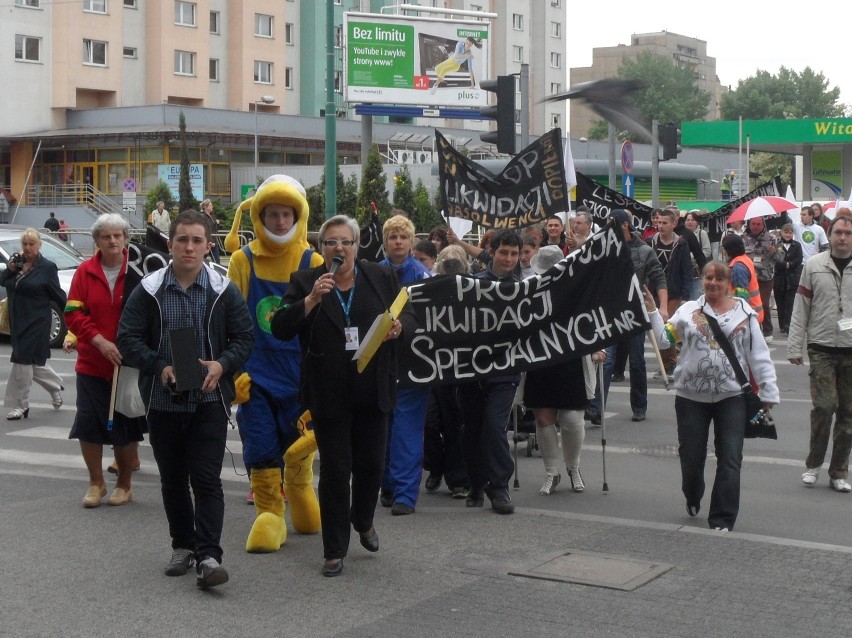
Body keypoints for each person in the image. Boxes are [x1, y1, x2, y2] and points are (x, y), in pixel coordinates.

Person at [117, 210, 254, 589]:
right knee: (174, 479)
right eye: (182, 240)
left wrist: (221, 365)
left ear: (208, 245)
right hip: (163, 400)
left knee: (207, 479)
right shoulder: (148, 289)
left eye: (197, 240)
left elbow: (245, 338)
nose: (189, 247)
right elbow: (127, 338)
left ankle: (209, 556)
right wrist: (159, 366)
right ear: (170, 244)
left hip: (210, 401)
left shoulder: (223, 289)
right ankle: (183, 545)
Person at [271, 215, 414, 577]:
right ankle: (334, 550)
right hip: (329, 393)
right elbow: (280, 327)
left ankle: (363, 520)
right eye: (330, 243)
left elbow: (408, 313)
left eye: (345, 242)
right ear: (322, 250)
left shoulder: (380, 277)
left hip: (373, 389)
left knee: (371, 466)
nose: (338, 249)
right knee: (336, 471)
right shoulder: (306, 281)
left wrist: (400, 327)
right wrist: (309, 301)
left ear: (357, 246)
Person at [224, 175, 325, 553]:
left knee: (300, 445)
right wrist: (233, 371)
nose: (280, 222)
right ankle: (269, 512)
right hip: (258, 376)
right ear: (260, 218)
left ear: (298, 216)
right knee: (262, 444)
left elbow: (322, 326)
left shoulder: (311, 260)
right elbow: (229, 320)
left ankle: (299, 488)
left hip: (299, 375)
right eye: (273, 215)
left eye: (287, 214)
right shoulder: (243, 259)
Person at [647, 261, 779, 531]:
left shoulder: (744, 313)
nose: (713, 283)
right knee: (691, 458)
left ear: (728, 282)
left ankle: (722, 519)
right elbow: (663, 340)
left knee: (730, 458)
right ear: (702, 280)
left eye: (719, 279)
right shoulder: (687, 311)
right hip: (690, 399)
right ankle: (693, 494)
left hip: (732, 397)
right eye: (708, 278)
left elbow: (759, 355)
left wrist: (769, 390)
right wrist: (651, 311)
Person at [64, 214, 145, 508]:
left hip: (127, 364)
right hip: (91, 363)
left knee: (125, 427)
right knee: (88, 424)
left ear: (125, 239)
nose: (113, 241)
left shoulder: (138, 272)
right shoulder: (84, 272)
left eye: (118, 236)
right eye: (106, 236)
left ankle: (124, 484)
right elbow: (73, 313)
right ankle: (95, 482)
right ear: (97, 240)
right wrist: (97, 340)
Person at [525, 245, 605, 494]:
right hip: (540, 359)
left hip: (571, 359)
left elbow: (591, 317)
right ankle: (551, 472)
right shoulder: (530, 290)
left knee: (572, 420)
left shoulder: (577, 289)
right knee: (543, 418)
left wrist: (598, 347)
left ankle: (574, 466)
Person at [456, 230, 522, 515]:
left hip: (505, 373)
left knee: (495, 427)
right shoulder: (471, 285)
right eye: (503, 252)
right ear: (491, 252)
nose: (508, 259)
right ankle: (476, 482)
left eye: (514, 254)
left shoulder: (525, 289)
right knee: (472, 429)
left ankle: (498, 486)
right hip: (471, 372)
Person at [788, 215, 852, 493]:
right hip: (821, 347)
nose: (843, 237)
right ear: (830, 234)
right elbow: (800, 306)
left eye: (848, 233)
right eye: (838, 232)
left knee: (849, 414)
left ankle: (838, 471)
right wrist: (794, 345)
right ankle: (813, 464)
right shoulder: (814, 266)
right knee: (825, 407)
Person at [587, 210, 668, 424]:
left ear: (623, 226)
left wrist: (663, 307)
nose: (606, 229)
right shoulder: (604, 250)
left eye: (610, 224)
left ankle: (639, 406)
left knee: (637, 362)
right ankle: (596, 409)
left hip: (635, 314)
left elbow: (659, 277)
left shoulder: (644, 251)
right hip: (611, 314)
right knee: (606, 360)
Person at [379, 215, 431, 515]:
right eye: (392, 237)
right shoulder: (374, 272)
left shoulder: (423, 276)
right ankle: (387, 484)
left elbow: (427, 319)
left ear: (411, 242)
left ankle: (405, 494)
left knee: (406, 430)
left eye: (403, 237)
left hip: (413, 363)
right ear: (386, 242)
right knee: (382, 428)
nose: (397, 242)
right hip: (381, 362)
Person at [2, 229, 66, 420]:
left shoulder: (47, 267)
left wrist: (73, 319)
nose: (28, 248)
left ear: (39, 246)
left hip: (38, 321)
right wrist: (10, 268)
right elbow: (3, 281)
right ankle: (55, 387)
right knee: (34, 364)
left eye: (31, 244)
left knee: (22, 362)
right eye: (25, 244)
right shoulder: (18, 264)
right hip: (18, 320)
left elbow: (59, 296)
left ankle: (21, 406)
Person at [422, 248, 471, 498]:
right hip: (432, 369)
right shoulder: (427, 289)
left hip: (460, 370)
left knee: (455, 425)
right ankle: (435, 466)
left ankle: (458, 479)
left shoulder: (474, 290)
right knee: (428, 423)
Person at [648, 208, 692, 377]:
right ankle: (665, 363)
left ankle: (671, 362)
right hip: (654, 291)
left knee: (668, 327)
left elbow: (686, 270)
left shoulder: (681, 244)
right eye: (658, 222)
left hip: (673, 291)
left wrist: (685, 295)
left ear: (674, 224)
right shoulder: (650, 242)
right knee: (656, 328)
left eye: (664, 223)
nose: (660, 226)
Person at [742, 216, 776, 341]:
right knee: (747, 303)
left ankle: (767, 331)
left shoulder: (772, 239)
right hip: (748, 277)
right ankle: (751, 329)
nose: (755, 226)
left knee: (763, 303)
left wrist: (774, 252)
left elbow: (782, 258)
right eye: (753, 224)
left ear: (763, 225)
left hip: (765, 276)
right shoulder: (743, 239)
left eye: (758, 224)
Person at [722, 234, 764, 323]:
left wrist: (741, 318)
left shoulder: (738, 267)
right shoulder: (745, 259)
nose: (723, 251)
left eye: (724, 248)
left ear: (729, 250)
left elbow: (742, 296)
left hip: (748, 316)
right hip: (754, 312)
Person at [772, 223, 803, 334]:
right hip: (779, 278)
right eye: (786, 232)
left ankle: (788, 325)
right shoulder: (777, 245)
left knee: (790, 304)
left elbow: (799, 259)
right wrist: (785, 264)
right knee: (780, 303)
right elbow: (776, 260)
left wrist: (790, 264)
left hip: (792, 278)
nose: (788, 235)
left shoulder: (797, 245)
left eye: (790, 233)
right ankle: (782, 324)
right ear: (781, 233)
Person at [684, 210, 712, 299]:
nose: (690, 222)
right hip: (684, 273)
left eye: (692, 220)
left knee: (696, 296)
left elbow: (707, 251)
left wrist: (691, 257)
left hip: (697, 272)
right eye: (687, 220)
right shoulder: (682, 234)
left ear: (697, 222)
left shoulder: (701, 233)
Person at [200, 199, 220, 263]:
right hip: (208, 242)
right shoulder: (202, 216)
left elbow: (213, 227)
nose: (212, 206)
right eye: (210, 205)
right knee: (201, 259)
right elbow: (207, 229)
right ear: (206, 207)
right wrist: (210, 241)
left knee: (216, 261)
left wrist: (216, 222)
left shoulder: (211, 216)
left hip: (214, 241)